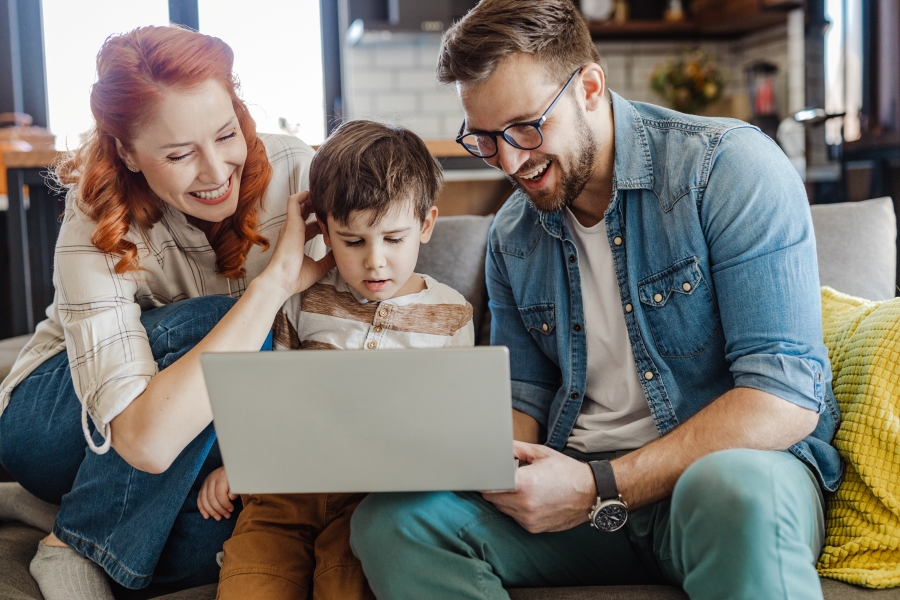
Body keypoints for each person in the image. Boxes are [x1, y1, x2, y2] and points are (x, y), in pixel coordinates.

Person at [350, 2, 843, 599]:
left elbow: (782, 397)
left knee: (734, 490)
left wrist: (602, 485)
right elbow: (522, 396)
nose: (510, 161)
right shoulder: (513, 235)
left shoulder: (727, 169)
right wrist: (472, 461)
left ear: (588, 87)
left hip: (715, 483)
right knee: (392, 522)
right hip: (577, 494)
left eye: (525, 127)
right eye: (484, 138)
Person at [0, 25, 334, 600]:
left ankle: (57, 513)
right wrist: (273, 285)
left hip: (196, 441)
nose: (215, 171)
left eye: (226, 134)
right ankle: (71, 544)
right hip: (58, 422)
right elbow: (146, 443)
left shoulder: (295, 172)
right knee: (226, 326)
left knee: (228, 539)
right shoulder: (94, 214)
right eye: (179, 154)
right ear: (128, 151)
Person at [198, 119, 474, 600]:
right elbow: (269, 394)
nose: (375, 262)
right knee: (250, 584)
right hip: (280, 497)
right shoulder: (302, 300)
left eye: (393, 239)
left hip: (368, 502)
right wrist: (240, 461)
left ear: (426, 225)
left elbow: (450, 427)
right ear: (322, 230)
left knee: (348, 587)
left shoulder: (451, 314)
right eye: (352, 241)